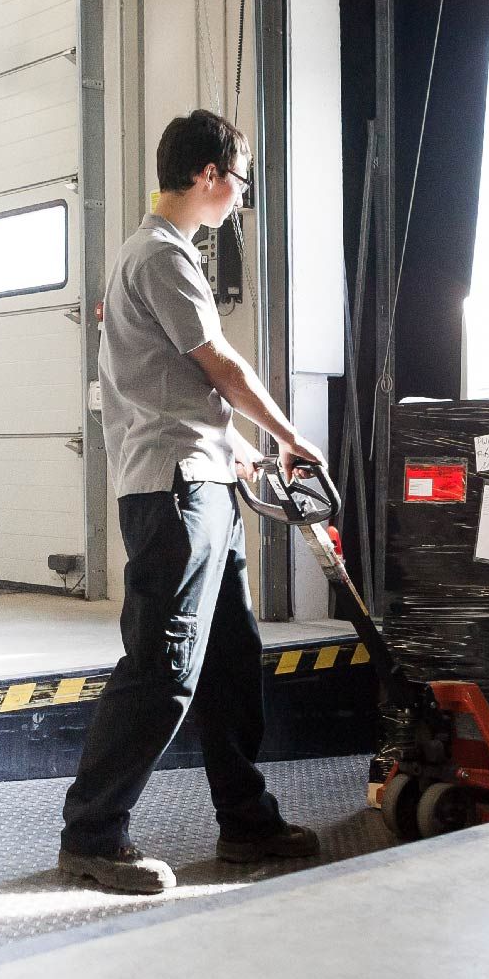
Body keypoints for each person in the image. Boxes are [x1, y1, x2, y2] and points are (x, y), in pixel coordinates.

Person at [58, 109, 327, 894]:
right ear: (208, 175)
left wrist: (237, 450)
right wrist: (287, 436)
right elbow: (221, 368)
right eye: (238, 182)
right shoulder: (161, 256)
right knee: (164, 666)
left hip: (203, 479)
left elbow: (172, 393)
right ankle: (92, 834)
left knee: (231, 659)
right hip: (174, 495)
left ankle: (246, 819)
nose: (238, 199)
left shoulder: (163, 258)